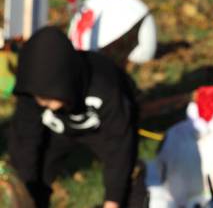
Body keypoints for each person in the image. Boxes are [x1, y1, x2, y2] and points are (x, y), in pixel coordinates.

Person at [9, 26, 139, 208]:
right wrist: (25, 195)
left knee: (129, 180)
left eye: (47, 97)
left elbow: (120, 145)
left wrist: (113, 201)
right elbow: (25, 143)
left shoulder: (106, 86)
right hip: (57, 130)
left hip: (101, 129)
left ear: (62, 83)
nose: (41, 102)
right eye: (38, 97)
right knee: (36, 173)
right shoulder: (32, 94)